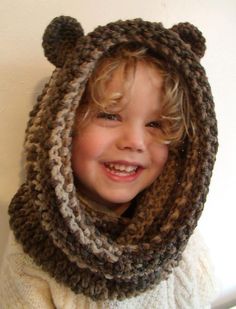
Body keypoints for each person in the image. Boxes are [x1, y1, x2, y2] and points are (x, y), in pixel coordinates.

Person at [0, 16, 218, 308]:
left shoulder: (175, 229)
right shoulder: (33, 243)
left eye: (155, 124)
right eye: (110, 115)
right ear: (63, 128)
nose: (135, 142)